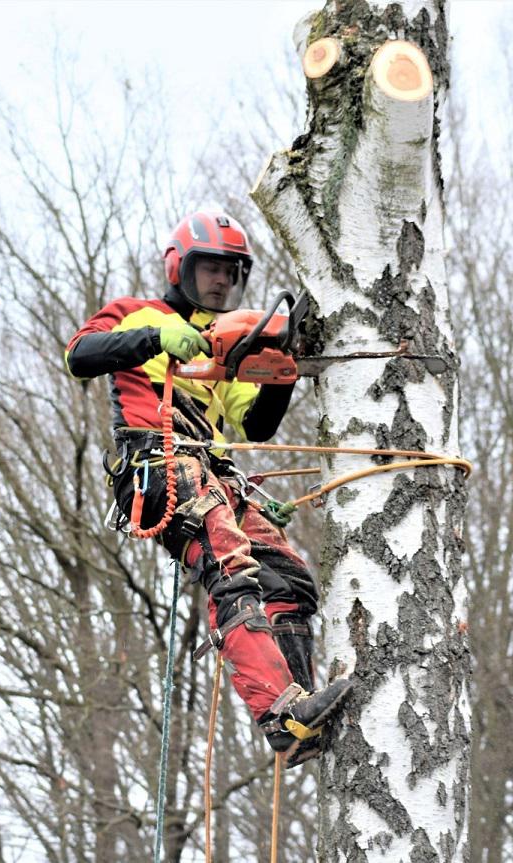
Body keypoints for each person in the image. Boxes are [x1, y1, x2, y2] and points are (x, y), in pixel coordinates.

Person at [64, 210, 353, 767]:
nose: (222, 281)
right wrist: (153, 337)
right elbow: (80, 356)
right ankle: (278, 711)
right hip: (160, 462)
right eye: (211, 269)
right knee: (229, 562)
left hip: (217, 474)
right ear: (180, 267)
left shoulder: (224, 347)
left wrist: (279, 369)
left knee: (286, 578)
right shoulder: (135, 313)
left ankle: (302, 710)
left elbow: (258, 424)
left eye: (232, 272)